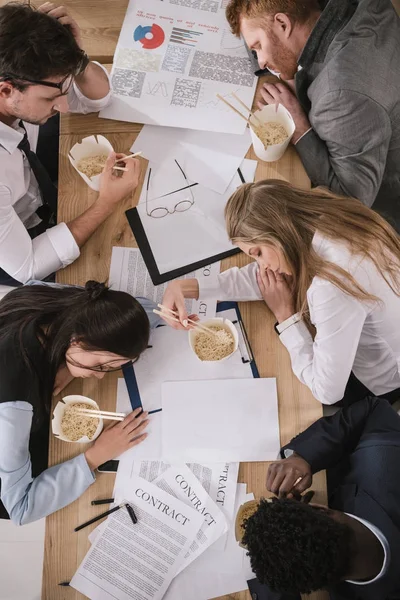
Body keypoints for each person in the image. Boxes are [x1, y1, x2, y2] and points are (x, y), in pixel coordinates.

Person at [162, 180, 400, 405]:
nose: (260, 265)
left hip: (380, 383)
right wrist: (187, 287)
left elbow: (327, 392)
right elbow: (267, 276)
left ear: (278, 232)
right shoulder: (321, 216)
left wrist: (285, 317)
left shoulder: (332, 286)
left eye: (257, 253)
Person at [225, 0, 400, 231]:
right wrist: (284, 66)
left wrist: (299, 127)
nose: (261, 62)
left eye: (258, 46)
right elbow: (262, 21)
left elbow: (352, 203)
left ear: (283, 23)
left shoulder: (339, 96)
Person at [0, 2, 140, 285]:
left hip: (37, 188)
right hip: (20, 245)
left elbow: (98, 98)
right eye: (51, 99)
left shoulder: (21, 86)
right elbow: (28, 266)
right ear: (6, 89)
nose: (63, 106)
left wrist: (78, 59)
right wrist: (106, 203)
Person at [0, 281, 160, 525]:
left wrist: (65, 365)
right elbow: (21, 507)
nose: (98, 375)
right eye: (99, 366)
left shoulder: (73, 304)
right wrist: (96, 456)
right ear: (76, 340)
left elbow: (140, 311)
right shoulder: (14, 407)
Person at [236, 397, 400, 599]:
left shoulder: (384, 461)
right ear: (320, 509)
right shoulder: (383, 460)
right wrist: (304, 456)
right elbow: (374, 410)